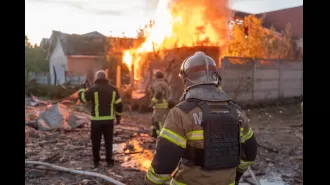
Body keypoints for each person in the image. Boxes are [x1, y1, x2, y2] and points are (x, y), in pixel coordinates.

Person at [144, 52, 258, 185]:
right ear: (215, 78)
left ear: (186, 80)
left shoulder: (181, 113)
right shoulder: (236, 111)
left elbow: (165, 159)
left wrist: (150, 182)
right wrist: (236, 176)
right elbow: (250, 151)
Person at [78, 70, 123, 168]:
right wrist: (118, 117)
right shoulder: (113, 89)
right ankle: (109, 161)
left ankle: (96, 162)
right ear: (105, 78)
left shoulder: (93, 89)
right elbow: (119, 105)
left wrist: (82, 89)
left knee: (96, 141)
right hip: (109, 121)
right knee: (108, 141)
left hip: (96, 121)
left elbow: (83, 99)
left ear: (96, 78)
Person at [148, 71, 171, 138]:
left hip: (159, 105)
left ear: (156, 76)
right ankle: (154, 133)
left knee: (159, 121)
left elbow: (158, 93)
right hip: (163, 105)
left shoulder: (158, 84)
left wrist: (152, 102)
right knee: (154, 119)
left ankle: (161, 136)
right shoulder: (165, 83)